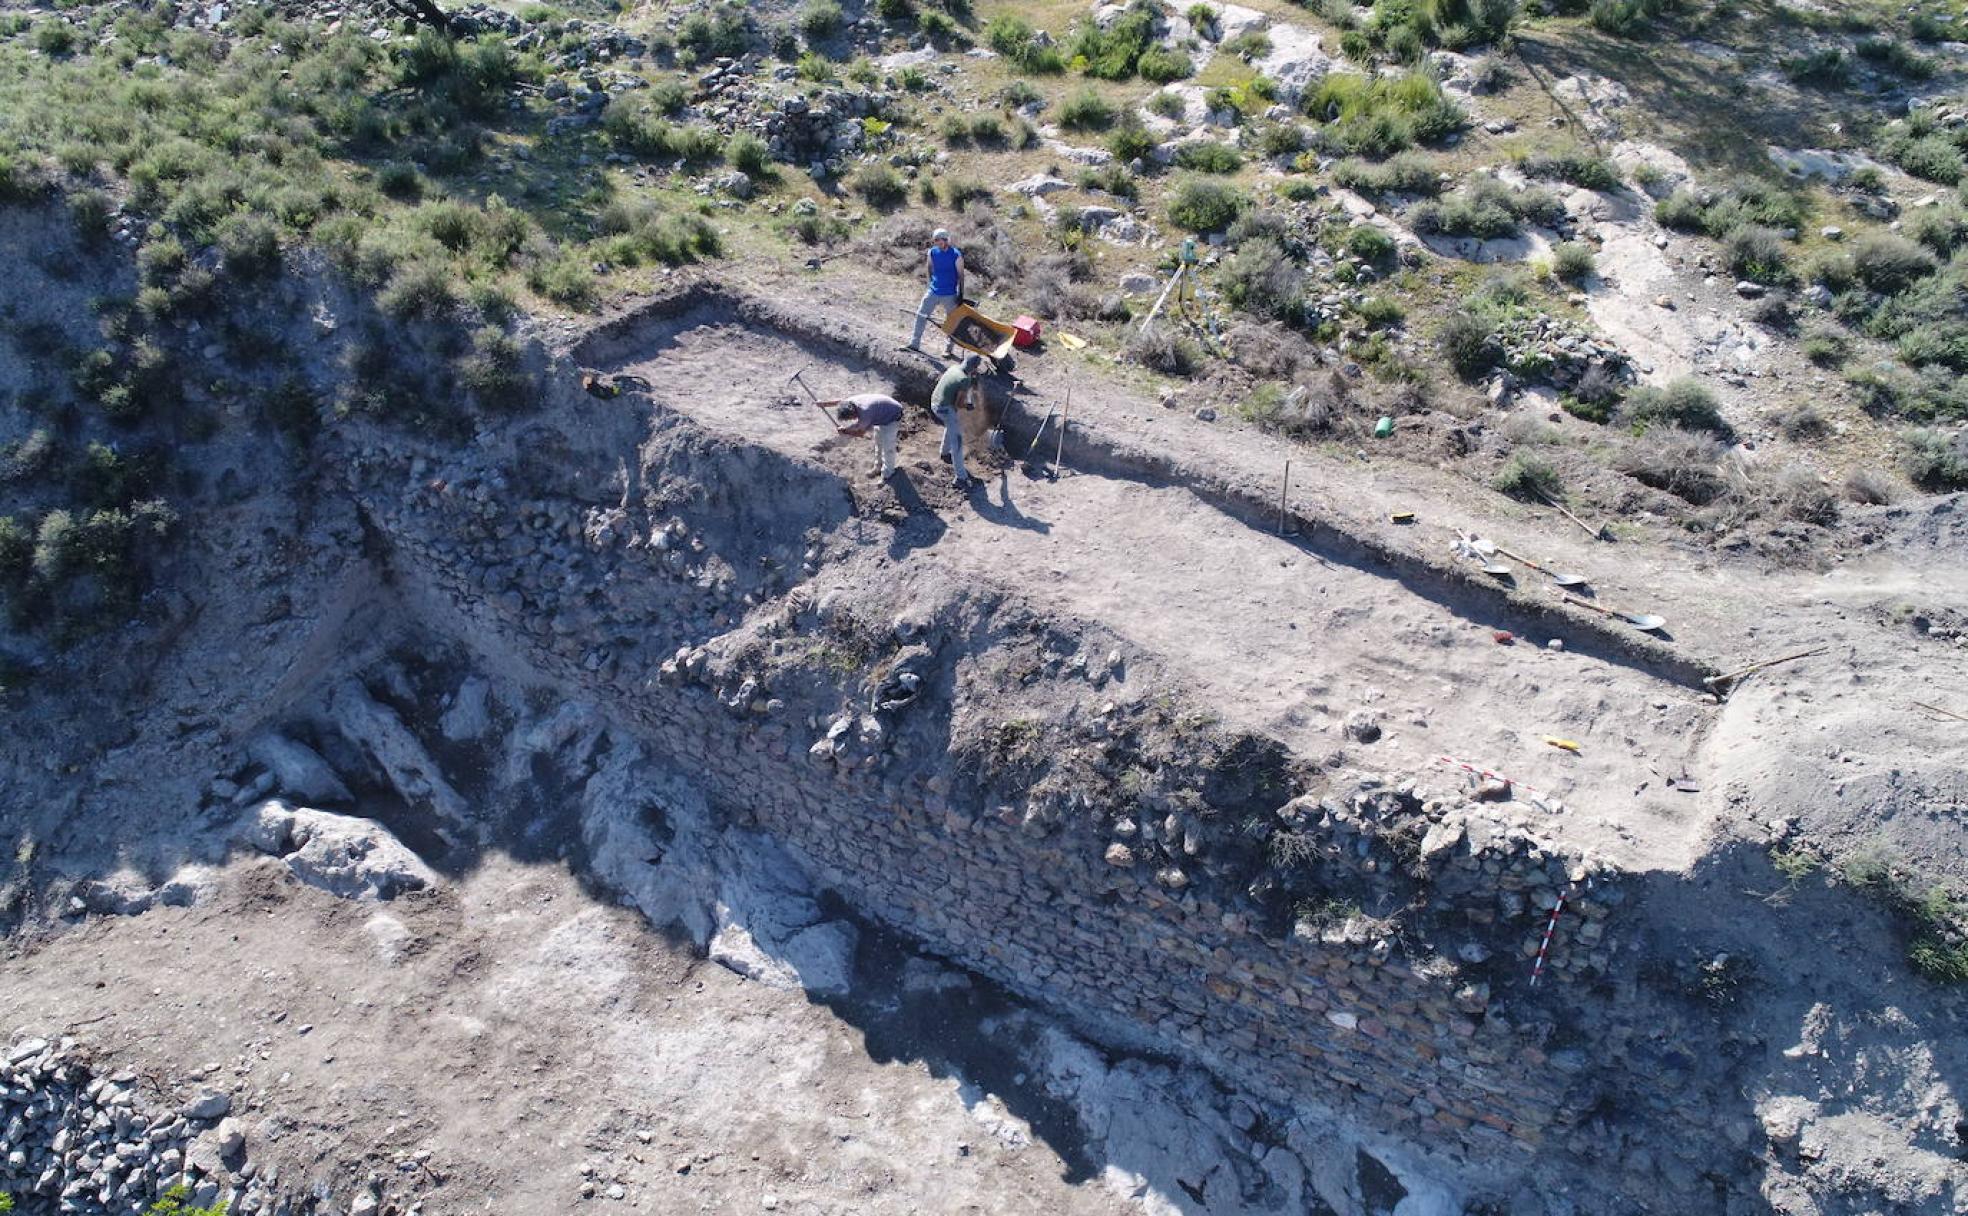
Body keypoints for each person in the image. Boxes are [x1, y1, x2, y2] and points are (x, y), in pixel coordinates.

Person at [903, 228, 964, 356]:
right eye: (935, 240)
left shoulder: (956, 255)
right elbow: (929, 268)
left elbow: (961, 275)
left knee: (952, 321)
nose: (936, 242)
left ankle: (948, 349)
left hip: (949, 294)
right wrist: (930, 283)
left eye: (938, 240)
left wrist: (960, 294)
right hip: (933, 291)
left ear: (945, 239)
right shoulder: (932, 252)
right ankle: (914, 344)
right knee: (921, 315)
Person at [930, 354, 983, 491]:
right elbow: (959, 403)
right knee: (957, 442)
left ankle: (944, 452)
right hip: (944, 408)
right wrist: (968, 406)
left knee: (952, 423)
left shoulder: (954, 368)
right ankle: (960, 478)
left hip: (935, 402)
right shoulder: (964, 380)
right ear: (975, 368)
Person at [826, 393, 906, 480]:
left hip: (892, 417)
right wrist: (823, 404)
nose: (852, 420)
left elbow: (860, 434)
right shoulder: (849, 402)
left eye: (852, 418)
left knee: (888, 447)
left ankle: (887, 474)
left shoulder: (865, 413)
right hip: (880, 414)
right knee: (878, 444)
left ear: (853, 413)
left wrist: (846, 431)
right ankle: (878, 467)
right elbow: (838, 401)